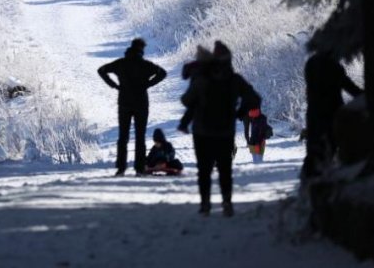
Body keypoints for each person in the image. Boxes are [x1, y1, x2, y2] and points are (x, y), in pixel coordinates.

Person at [181, 40, 260, 217]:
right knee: (225, 168)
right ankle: (227, 202)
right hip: (225, 131)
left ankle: (205, 205)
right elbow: (255, 99)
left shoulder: (202, 79)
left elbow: (186, 101)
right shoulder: (235, 80)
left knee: (204, 169)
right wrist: (240, 112)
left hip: (202, 131)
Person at [98, 38, 167, 176]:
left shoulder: (120, 64)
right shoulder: (146, 65)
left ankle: (121, 168)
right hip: (141, 104)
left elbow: (102, 70)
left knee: (123, 137)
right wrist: (148, 84)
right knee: (140, 137)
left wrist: (114, 85)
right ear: (141, 50)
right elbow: (162, 73)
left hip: (124, 103)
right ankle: (139, 168)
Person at [300, 51, 363, 181]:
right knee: (332, 146)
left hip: (313, 112)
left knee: (314, 147)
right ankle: (328, 179)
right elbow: (349, 87)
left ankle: (310, 181)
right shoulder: (333, 65)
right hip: (332, 113)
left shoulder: (311, 63)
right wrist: (366, 97)